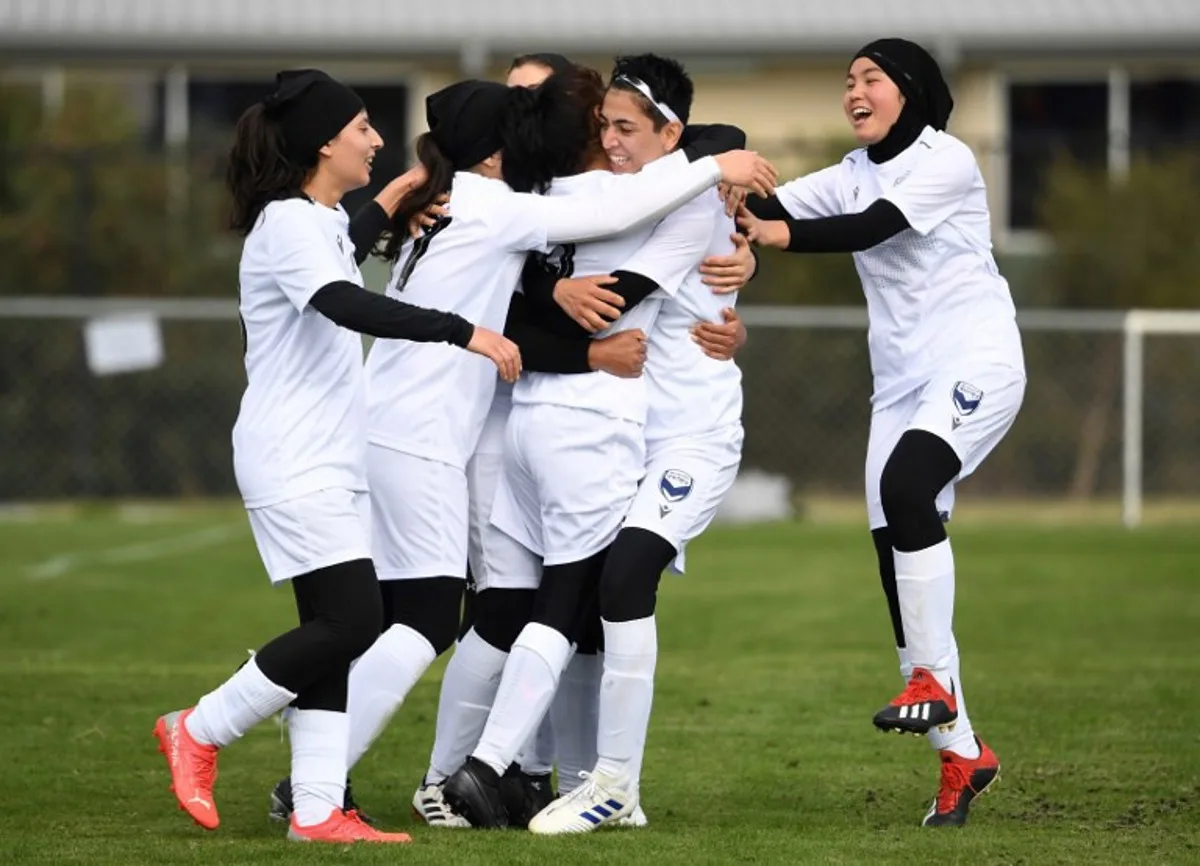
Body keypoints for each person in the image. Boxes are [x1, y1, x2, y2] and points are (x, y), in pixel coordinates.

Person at [313, 70, 777, 818]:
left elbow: (690, 171)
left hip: (481, 422)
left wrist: (736, 226)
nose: (610, 134)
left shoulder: (515, 200)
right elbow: (632, 234)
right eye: (602, 121)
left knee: (497, 609)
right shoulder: (550, 202)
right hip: (533, 427)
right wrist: (714, 171)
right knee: (522, 607)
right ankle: (492, 773)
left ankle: (470, 777)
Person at [151, 69, 520, 845]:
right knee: (353, 621)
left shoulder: (312, 220)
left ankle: (317, 811)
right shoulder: (287, 221)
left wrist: (396, 199)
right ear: (324, 142)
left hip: (329, 460)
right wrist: (467, 331)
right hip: (294, 459)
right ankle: (200, 727)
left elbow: (345, 249)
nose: (377, 139)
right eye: (362, 128)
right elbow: (343, 300)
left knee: (334, 631)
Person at [444, 53, 751, 831]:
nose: (612, 140)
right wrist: (554, 289)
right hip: (606, 426)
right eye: (602, 125)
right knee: (577, 604)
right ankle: (558, 777)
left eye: (625, 127)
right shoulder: (630, 190)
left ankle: (590, 779)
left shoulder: (674, 196)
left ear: (668, 132)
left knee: (593, 593)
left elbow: (614, 290)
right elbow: (593, 253)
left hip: (683, 436)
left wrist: (733, 193)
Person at [737, 38, 1024, 827]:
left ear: (911, 91)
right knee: (891, 554)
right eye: (848, 81)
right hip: (899, 387)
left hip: (977, 359)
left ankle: (930, 682)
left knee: (907, 487)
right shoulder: (851, 171)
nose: (853, 91)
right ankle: (963, 754)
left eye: (871, 79)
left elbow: (872, 227)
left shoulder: (948, 159)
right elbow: (769, 208)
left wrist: (776, 238)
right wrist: (717, 180)